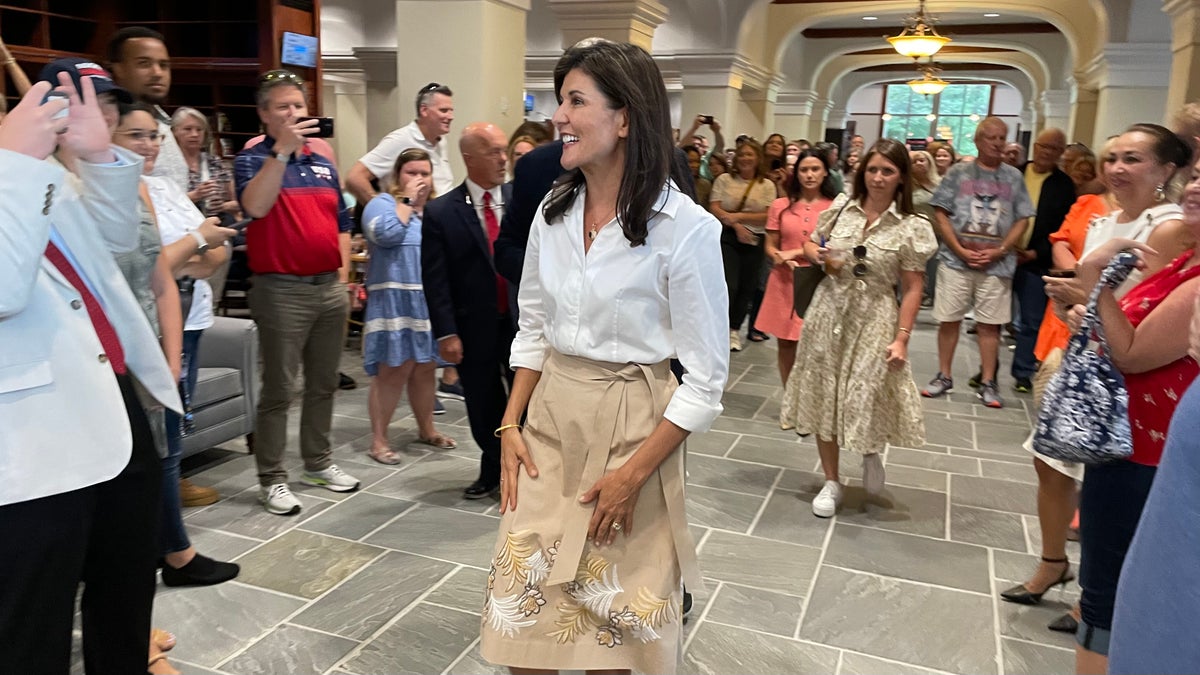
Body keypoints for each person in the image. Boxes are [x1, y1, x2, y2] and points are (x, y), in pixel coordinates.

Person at [479, 38, 727, 674]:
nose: (559, 116)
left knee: (614, 645)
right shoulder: (552, 215)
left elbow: (705, 380)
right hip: (549, 429)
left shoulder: (686, 229)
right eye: (561, 100)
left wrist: (633, 475)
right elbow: (532, 327)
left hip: (634, 434)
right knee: (523, 631)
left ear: (624, 118)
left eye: (575, 101)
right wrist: (509, 424)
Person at [0, 73, 181, 674]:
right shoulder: (15, 171)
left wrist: (99, 154)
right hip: (31, 442)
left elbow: (113, 240)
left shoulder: (30, 176)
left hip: (110, 407)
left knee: (125, 593)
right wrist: (15, 162)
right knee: (33, 626)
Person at [780, 139, 937, 517]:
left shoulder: (912, 226)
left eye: (888, 171)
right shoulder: (840, 210)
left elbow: (914, 286)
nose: (879, 178)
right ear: (862, 172)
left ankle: (869, 452)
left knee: (865, 390)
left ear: (902, 178)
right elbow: (812, 246)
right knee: (825, 392)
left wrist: (902, 338)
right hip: (830, 310)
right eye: (873, 170)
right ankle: (831, 480)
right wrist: (814, 252)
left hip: (876, 313)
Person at [235, 69, 360, 516]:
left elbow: (342, 223)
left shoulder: (324, 162)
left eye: (299, 107)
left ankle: (318, 462)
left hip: (328, 287)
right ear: (265, 114)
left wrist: (343, 278)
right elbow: (255, 206)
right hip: (280, 291)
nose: (293, 114)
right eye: (283, 107)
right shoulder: (252, 159)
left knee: (324, 384)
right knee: (280, 388)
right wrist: (282, 154)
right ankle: (272, 478)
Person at [1109, 163, 1200, 673]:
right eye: (1199, 172)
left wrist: (1099, 284)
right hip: (1148, 441)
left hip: (1151, 445)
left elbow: (1132, 351)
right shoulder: (1184, 261)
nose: (1198, 186)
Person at [421, 122, 514, 499]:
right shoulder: (442, 212)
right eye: (494, 151)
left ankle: (522, 471)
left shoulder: (522, 199)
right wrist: (446, 332)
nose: (503, 159)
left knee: (527, 403)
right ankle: (494, 466)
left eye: (504, 150)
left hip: (522, 323)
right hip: (473, 327)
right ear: (469, 157)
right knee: (482, 402)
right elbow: (436, 279)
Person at [921, 117, 1035, 409]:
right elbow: (940, 212)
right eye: (991, 138)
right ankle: (944, 375)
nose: (997, 143)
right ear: (977, 140)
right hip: (955, 261)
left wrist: (1002, 249)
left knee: (990, 325)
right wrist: (958, 247)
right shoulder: (959, 173)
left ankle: (988, 381)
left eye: (1002, 138)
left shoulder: (1013, 177)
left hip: (996, 264)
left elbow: (1022, 218)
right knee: (950, 319)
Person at [361, 148, 456, 464]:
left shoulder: (437, 210)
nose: (419, 179)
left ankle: (427, 429)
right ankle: (379, 440)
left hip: (429, 301)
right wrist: (407, 201)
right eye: (411, 173)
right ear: (397, 176)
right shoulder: (382, 204)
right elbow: (385, 233)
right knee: (394, 368)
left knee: (426, 366)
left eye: (424, 174)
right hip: (394, 301)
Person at [755, 149, 837, 386]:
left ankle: (811, 397)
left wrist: (799, 251)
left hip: (819, 280)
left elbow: (838, 244)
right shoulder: (780, 205)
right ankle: (789, 395)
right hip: (784, 279)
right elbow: (770, 245)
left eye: (815, 169)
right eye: (804, 170)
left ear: (824, 173)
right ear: (796, 173)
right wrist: (780, 256)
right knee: (786, 342)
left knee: (815, 342)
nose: (809, 175)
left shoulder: (835, 206)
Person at [1006, 129, 1075, 393]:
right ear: (1035, 146)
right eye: (1043, 146)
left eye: (1054, 148)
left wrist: (1037, 252)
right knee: (990, 319)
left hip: (1036, 260)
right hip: (1003, 254)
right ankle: (986, 372)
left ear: (1061, 153)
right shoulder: (1015, 174)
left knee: (1031, 320)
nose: (1047, 152)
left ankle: (1023, 372)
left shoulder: (1064, 185)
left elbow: (1062, 227)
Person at [710, 139, 775, 351]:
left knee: (748, 286)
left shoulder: (766, 185)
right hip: (727, 237)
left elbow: (767, 215)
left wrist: (737, 216)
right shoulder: (724, 180)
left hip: (755, 239)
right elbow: (715, 209)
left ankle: (734, 329)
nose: (746, 158)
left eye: (750, 154)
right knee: (729, 284)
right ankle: (720, 327)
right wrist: (737, 225)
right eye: (742, 154)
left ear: (758, 158)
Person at [107, 26, 188, 191]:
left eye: (163, 65)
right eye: (144, 63)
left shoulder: (165, 125)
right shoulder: (107, 127)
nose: (157, 73)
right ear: (117, 69)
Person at [348, 82, 455, 201]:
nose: (451, 117)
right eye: (444, 110)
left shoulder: (441, 141)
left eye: (451, 111)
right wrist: (381, 211)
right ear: (424, 110)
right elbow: (355, 177)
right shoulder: (400, 140)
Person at [171, 106, 238, 223]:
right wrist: (195, 195)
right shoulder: (169, 165)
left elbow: (238, 202)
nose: (194, 134)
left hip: (219, 222)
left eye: (199, 130)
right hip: (184, 225)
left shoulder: (215, 162)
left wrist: (222, 206)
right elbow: (164, 205)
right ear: (175, 132)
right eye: (188, 129)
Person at [910, 149, 941, 307]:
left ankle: (932, 297)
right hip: (914, 234)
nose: (919, 163)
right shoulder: (908, 186)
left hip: (937, 233)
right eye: (915, 161)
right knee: (914, 267)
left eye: (922, 160)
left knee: (934, 268)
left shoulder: (940, 184)